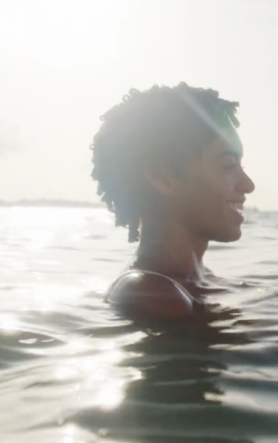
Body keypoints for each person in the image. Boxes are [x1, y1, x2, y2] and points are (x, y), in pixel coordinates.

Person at [90, 82, 256, 320]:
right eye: (229, 165)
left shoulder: (192, 280)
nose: (248, 185)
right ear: (163, 176)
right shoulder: (154, 296)